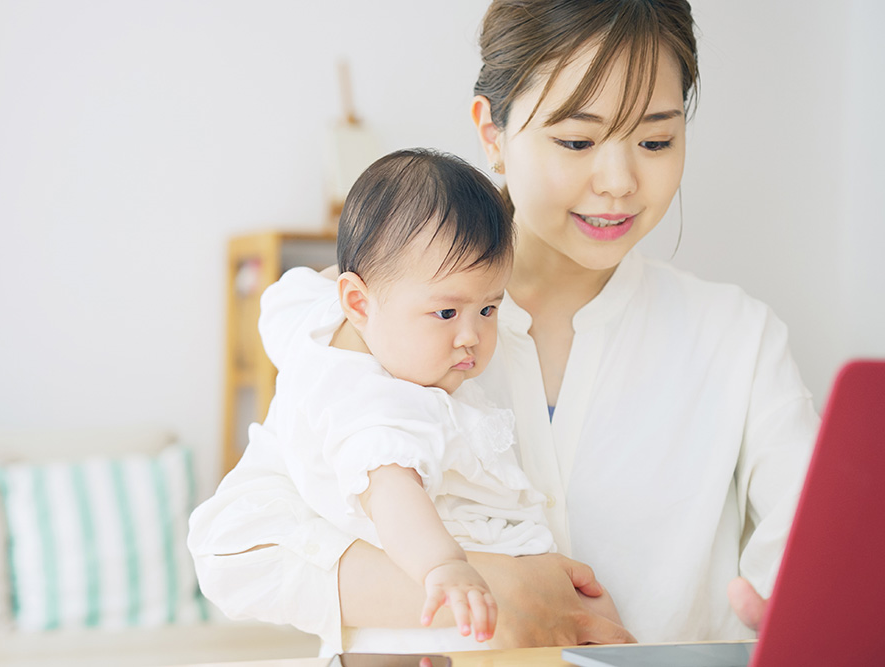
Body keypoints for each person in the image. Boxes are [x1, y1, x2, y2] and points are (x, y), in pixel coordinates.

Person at [188, 0, 818, 654]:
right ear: (493, 133)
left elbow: (814, 571)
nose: (619, 181)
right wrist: (496, 594)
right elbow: (232, 549)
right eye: (577, 141)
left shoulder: (738, 340)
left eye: (655, 141)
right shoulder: (384, 325)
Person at [252, 148, 572, 650]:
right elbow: (392, 492)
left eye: (489, 309)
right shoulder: (378, 406)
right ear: (357, 302)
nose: (471, 336)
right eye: (446, 313)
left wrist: (386, 275)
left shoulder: (312, 321)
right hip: (449, 595)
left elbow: (289, 295)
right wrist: (444, 566)